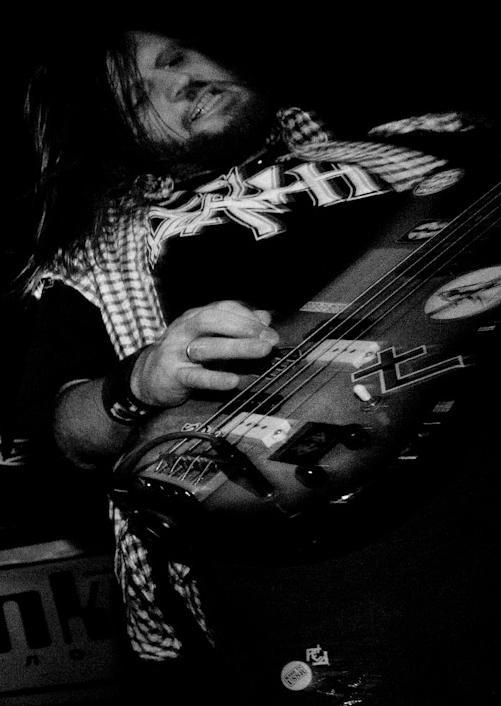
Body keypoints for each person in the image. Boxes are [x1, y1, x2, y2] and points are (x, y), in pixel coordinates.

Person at [16, 24, 499, 704]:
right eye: (139, 96)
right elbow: (63, 431)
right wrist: (141, 379)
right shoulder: (101, 255)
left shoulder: (417, 145)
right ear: (118, 136)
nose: (180, 82)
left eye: (176, 56)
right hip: (348, 542)